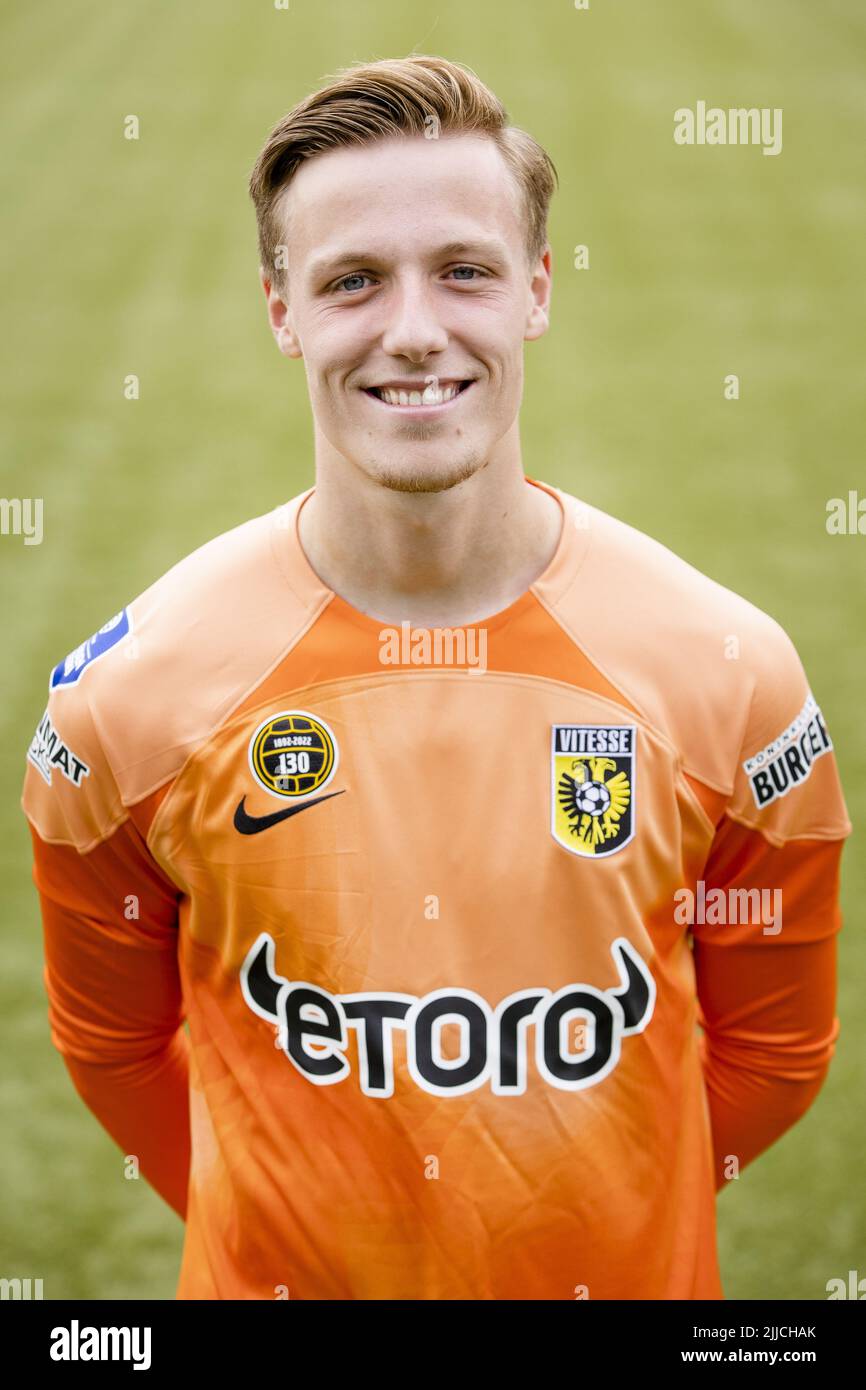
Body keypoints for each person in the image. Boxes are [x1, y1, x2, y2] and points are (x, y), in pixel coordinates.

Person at [21, 54, 851, 1300]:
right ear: (280, 312)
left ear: (535, 290)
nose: (413, 331)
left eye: (462, 270)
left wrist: (607, 1213)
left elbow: (773, 1056)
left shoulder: (729, 674)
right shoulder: (123, 706)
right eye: (351, 281)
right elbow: (114, 1047)